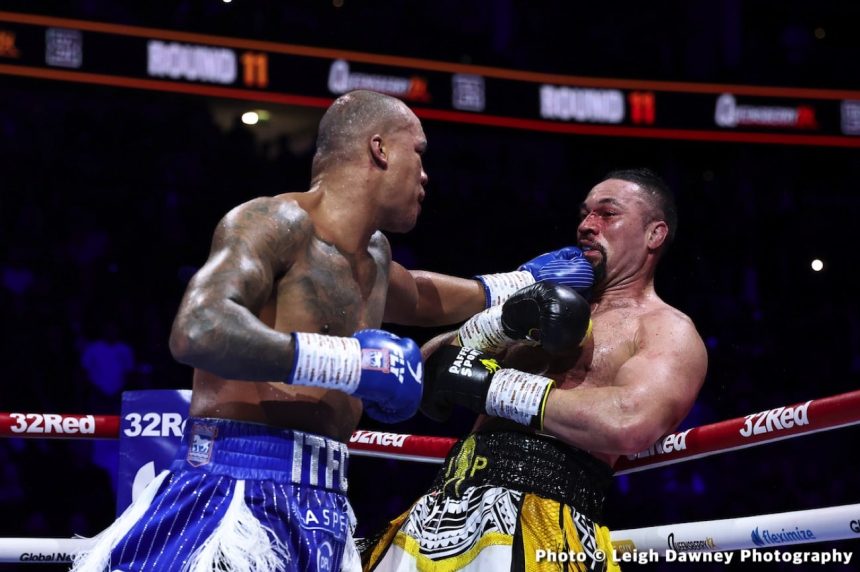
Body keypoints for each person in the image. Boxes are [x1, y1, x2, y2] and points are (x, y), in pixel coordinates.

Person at [71, 90, 595, 572]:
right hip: (238, 485)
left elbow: (418, 295)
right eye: (418, 153)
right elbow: (198, 327)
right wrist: (347, 362)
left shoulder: (374, 255)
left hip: (326, 501)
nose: (425, 175)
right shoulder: (273, 221)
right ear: (380, 150)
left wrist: (521, 283)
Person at [363, 168, 708, 572]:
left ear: (655, 234)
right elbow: (420, 372)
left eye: (607, 214)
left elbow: (630, 420)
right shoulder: (539, 304)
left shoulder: (665, 329)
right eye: (584, 213)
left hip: (544, 517)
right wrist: (498, 323)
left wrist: (493, 387)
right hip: (440, 505)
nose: (586, 225)